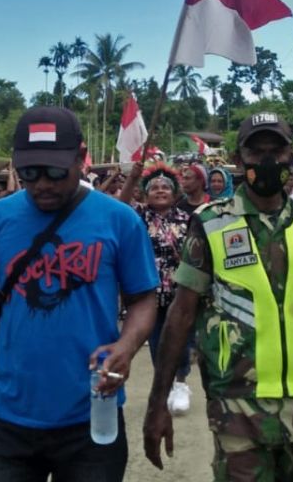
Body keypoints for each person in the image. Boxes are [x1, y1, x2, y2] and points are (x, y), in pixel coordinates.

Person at [0, 106, 160, 482]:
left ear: (80, 158)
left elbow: (143, 299)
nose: (42, 184)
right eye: (29, 173)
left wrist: (128, 345)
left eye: (55, 172)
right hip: (11, 420)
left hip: (92, 417)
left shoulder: (119, 220)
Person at [144, 112, 293, 481]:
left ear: (292, 155)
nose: (267, 161)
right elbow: (181, 314)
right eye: (256, 152)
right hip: (236, 410)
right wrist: (158, 405)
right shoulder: (211, 223)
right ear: (238, 158)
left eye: (277, 151)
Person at [118, 161, 195, 415]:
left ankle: (181, 384)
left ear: (174, 194)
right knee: (156, 340)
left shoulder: (188, 219)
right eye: (154, 188)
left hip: (179, 291)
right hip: (148, 291)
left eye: (165, 187)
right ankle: (163, 385)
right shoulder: (137, 217)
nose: (160, 190)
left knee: (180, 337)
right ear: (146, 194)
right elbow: (119, 206)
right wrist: (132, 180)